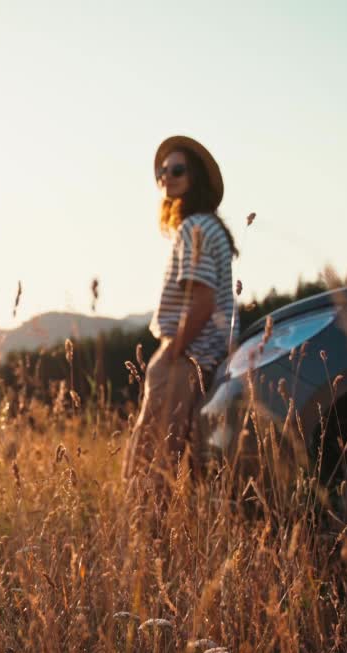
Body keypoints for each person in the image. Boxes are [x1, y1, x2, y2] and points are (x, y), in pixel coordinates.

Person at [122, 135, 239, 503]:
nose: (166, 178)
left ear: (197, 178)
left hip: (184, 359)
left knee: (150, 464)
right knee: (186, 467)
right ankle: (170, 549)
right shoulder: (210, 228)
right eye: (161, 172)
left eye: (177, 170)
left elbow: (202, 301)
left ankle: (144, 552)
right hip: (206, 360)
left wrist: (173, 351)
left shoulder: (196, 228)